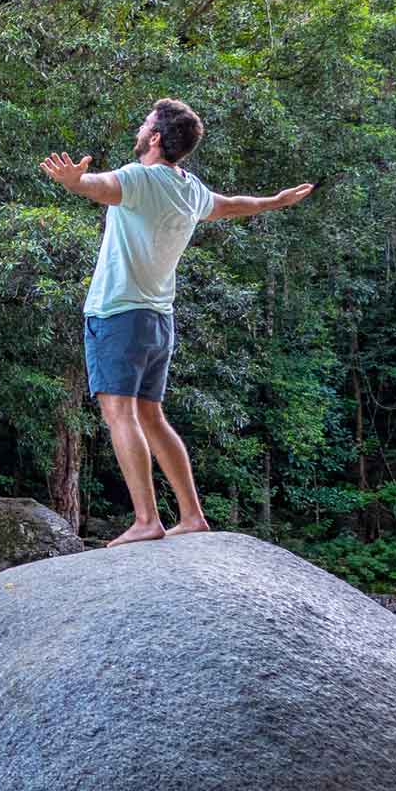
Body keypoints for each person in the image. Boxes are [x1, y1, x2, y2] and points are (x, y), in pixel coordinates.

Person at [40, 99, 314, 545]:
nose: (141, 126)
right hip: (158, 320)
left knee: (119, 414)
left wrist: (76, 182)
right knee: (151, 415)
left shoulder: (140, 178)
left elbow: (102, 186)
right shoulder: (190, 189)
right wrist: (274, 202)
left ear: (155, 138)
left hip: (119, 314)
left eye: (146, 123)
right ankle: (191, 515)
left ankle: (147, 520)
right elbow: (230, 205)